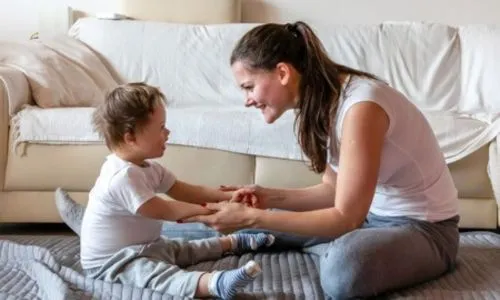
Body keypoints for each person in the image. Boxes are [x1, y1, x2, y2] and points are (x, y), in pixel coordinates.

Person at [180, 21, 460, 299]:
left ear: (282, 72)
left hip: (427, 232)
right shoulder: (324, 102)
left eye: (249, 86)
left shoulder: (362, 107)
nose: (247, 100)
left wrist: (255, 218)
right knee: (245, 219)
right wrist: (267, 198)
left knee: (343, 269)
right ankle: (292, 241)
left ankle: (315, 246)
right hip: (372, 219)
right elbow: (332, 190)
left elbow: (346, 218)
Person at [55, 82, 275, 300]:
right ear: (130, 137)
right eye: (161, 127)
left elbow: (188, 191)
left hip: (146, 247)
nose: (168, 132)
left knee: (182, 250)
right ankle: (214, 283)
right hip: (114, 261)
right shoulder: (121, 177)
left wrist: (229, 197)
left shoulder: (148, 167)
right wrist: (214, 211)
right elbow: (165, 210)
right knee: (156, 275)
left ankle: (233, 242)